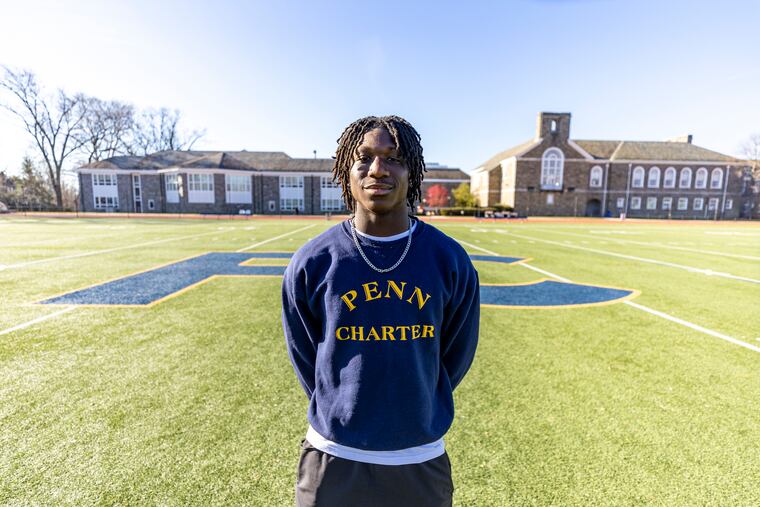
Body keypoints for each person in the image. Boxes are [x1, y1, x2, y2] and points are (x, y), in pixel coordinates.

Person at [281, 115, 480, 506]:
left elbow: (455, 355)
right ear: (346, 170)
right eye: (364, 158)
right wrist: (341, 405)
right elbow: (306, 357)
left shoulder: (449, 260)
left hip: (418, 459)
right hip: (333, 460)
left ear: (413, 171)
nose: (377, 169)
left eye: (394, 158)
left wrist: (417, 399)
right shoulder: (313, 262)